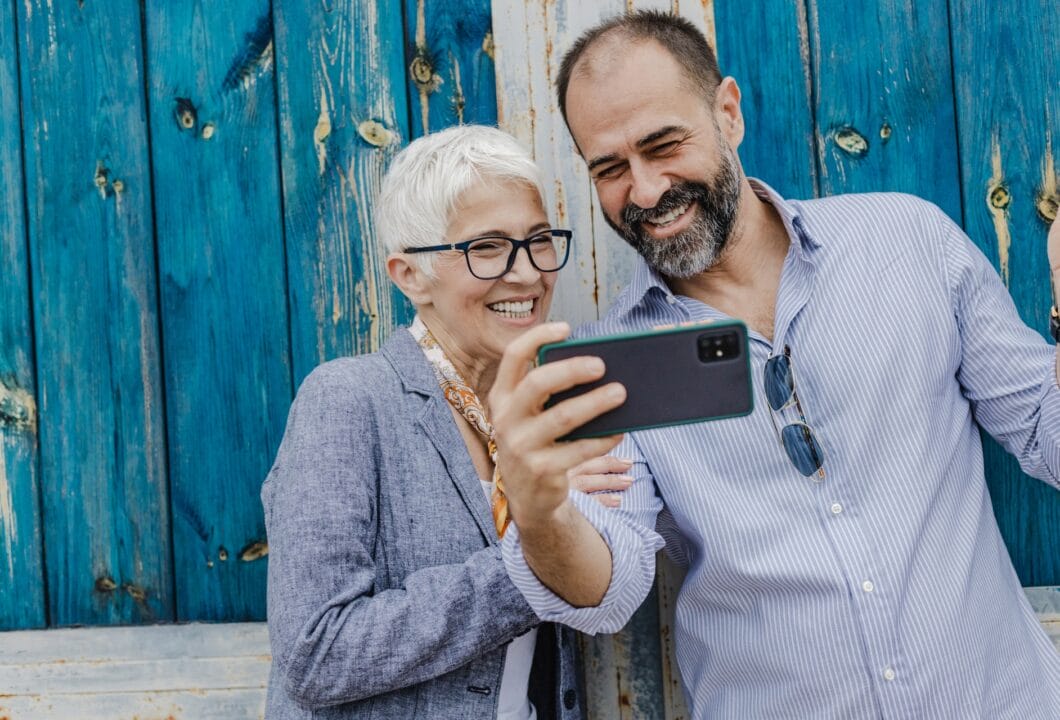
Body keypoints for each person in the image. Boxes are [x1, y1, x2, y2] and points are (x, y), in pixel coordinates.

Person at [489, 10, 1060, 719]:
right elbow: (608, 589)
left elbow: (1047, 436)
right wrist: (539, 511)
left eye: (664, 145)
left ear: (727, 113)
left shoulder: (908, 241)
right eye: (609, 169)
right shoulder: (611, 368)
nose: (645, 191)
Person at [262, 124, 631, 719]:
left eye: (539, 240)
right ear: (409, 274)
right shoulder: (347, 400)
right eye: (486, 247)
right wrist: (531, 551)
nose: (528, 274)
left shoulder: (551, 413)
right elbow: (316, 653)